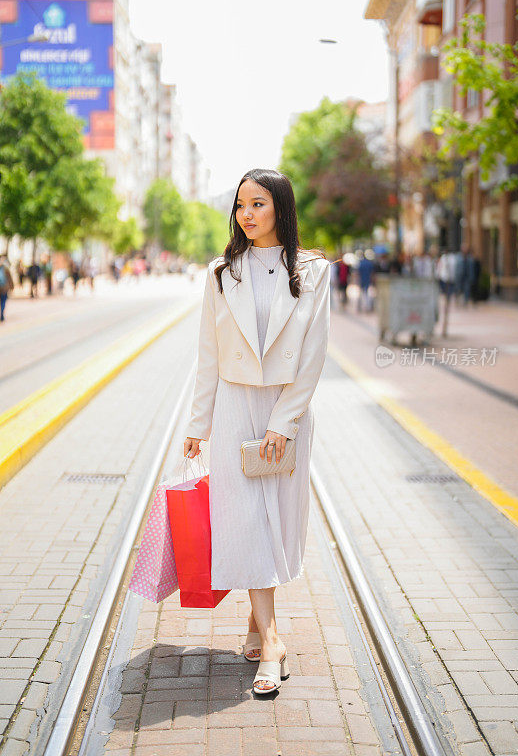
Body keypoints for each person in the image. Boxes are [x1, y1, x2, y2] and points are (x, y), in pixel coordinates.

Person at [183, 168, 331, 695]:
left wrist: (283, 424)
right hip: (232, 406)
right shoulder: (222, 271)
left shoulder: (314, 272)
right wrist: (198, 424)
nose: (246, 214)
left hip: (285, 410)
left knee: (280, 520)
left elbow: (312, 359)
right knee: (245, 521)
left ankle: (255, 621)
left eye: (258, 204)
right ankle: (272, 640)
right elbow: (207, 354)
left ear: (281, 209)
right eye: (240, 205)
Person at [0, 254, 15, 322]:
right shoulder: (5, 268)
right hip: (4, 288)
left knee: (3, 301)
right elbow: (9, 278)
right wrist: (12, 286)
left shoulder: (5, 268)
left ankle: (2, 313)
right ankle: (2, 314)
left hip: (3, 288)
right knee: (3, 301)